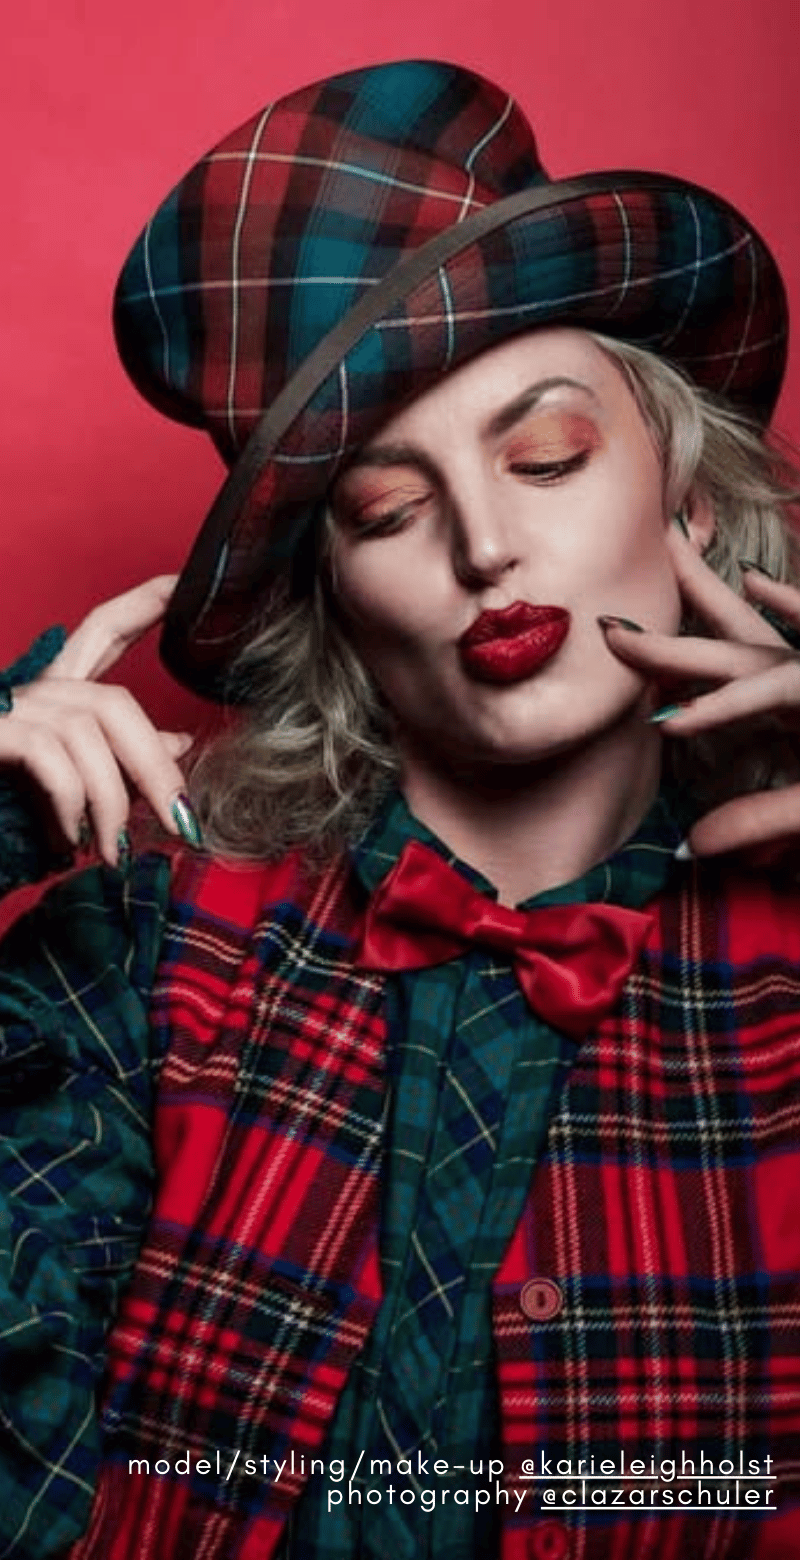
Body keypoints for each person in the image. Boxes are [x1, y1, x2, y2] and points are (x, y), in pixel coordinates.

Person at [1, 57, 799, 1560]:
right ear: (336, 599)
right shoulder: (141, 965)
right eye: (385, 509)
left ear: (687, 498)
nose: (487, 545)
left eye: (546, 454)